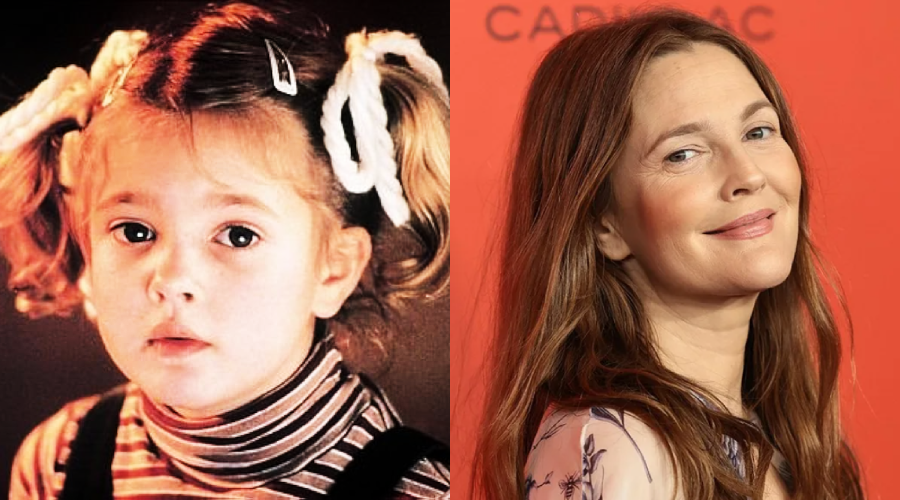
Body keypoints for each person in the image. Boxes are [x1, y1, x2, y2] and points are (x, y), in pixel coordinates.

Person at [0, 2, 449, 498]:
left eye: (237, 235)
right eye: (134, 231)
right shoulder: (57, 463)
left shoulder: (415, 491)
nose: (171, 280)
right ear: (85, 240)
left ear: (332, 271)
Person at [473, 9, 863, 500]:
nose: (748, 174)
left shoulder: (776, 432)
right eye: (683, 153)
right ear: (603, 224)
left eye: (758, 132)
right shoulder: (611, 444)